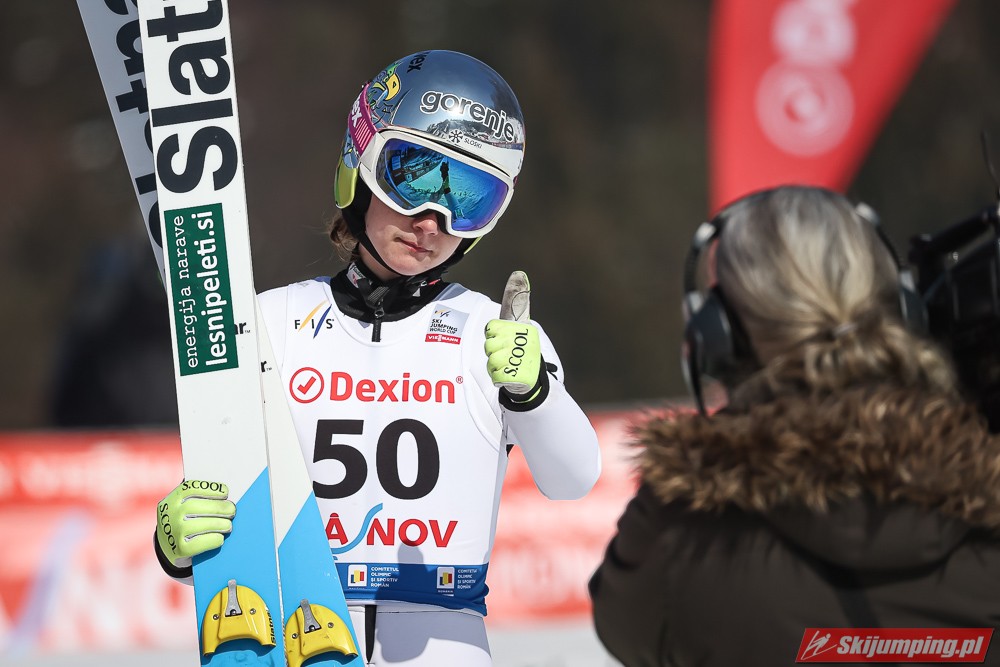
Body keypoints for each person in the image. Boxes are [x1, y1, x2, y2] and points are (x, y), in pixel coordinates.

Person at [152, 50, 601, 666]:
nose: (434, 221)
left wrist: (534, 392)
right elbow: (226, 497)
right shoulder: (270, 323)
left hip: (442, 640)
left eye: (470, 197)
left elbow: (573, 479)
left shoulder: (494, 334)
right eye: (415, 177)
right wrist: (177, 547)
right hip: (297, 632)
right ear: (360, 168)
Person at [588, 185, 1000, 667]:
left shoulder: (677, 533)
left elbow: (624, 625)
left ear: (718, 338)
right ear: (905, 310)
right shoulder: (987, 483)